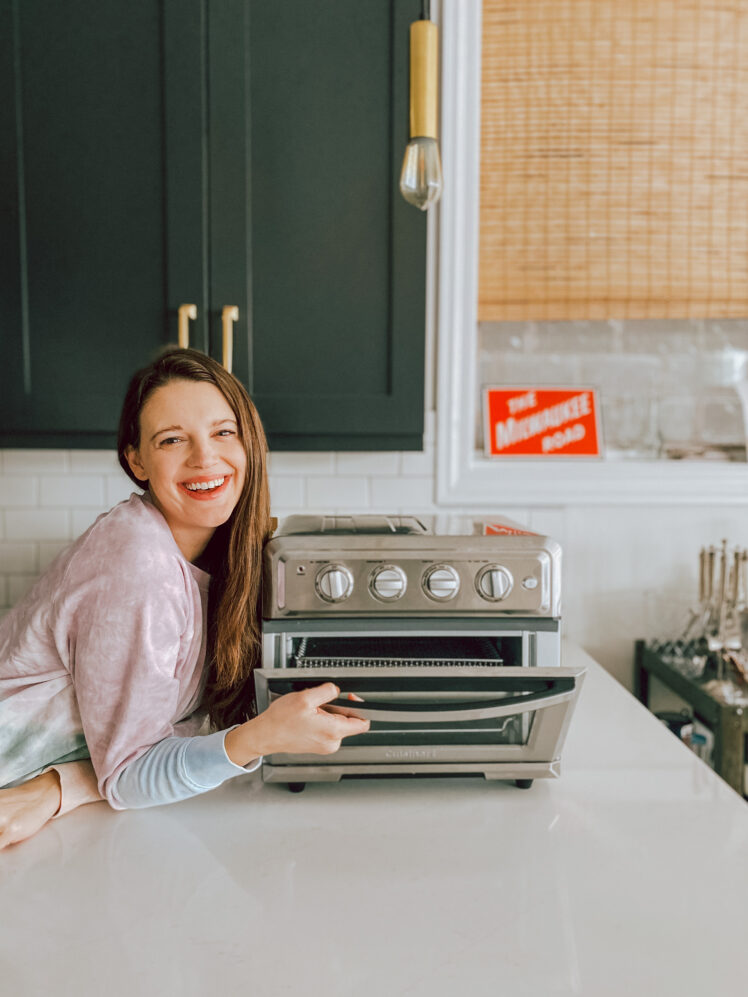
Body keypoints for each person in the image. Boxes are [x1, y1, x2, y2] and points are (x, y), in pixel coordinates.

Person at [0, 348, 369, 849]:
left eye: (223, 432)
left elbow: (171, 727)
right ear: (137, 460)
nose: (205, 458)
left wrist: (59, 787)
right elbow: (129, 774)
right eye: (172, 439)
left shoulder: (214, 555)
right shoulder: (137, 564)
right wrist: (260, 737)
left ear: (248, 444)